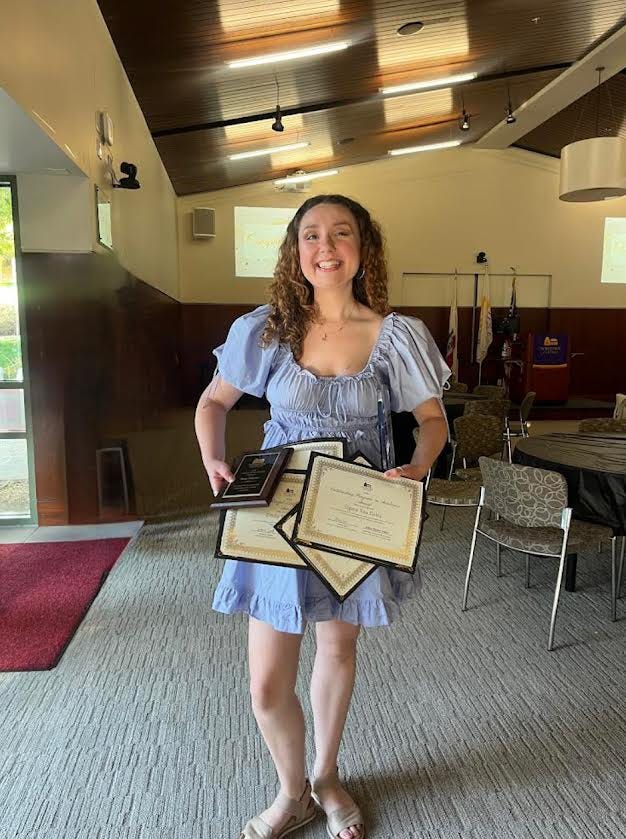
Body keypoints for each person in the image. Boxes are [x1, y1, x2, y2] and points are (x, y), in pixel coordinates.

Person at [195, 194, 450, 839]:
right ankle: (292, 792)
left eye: (341, 234)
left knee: (336, 651)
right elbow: (212, 404)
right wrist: (216, 463)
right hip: (274, 515)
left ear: (363, 249)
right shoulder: (267, 329)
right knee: (265, 684)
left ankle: (327, 778)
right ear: (295, 251)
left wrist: (416, 468)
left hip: (352, 518)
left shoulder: (398, 336)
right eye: (311, 235)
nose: (325, 247)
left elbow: (432, 423)